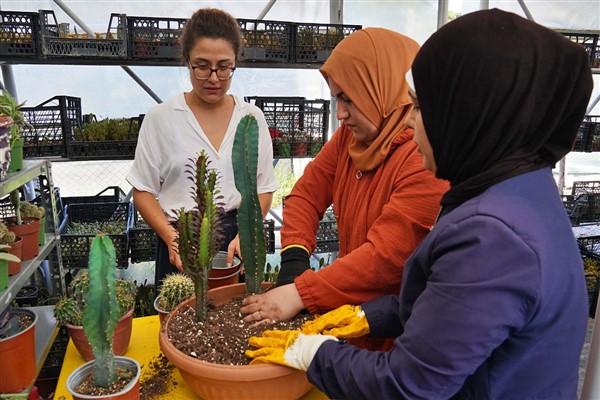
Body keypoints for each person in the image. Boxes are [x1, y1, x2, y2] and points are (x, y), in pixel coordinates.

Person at [245, 9, 593, 399]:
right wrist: (367, 316)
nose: (409, 122)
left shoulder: (493, 237)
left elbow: (409, 384)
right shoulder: (518, 186)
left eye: (422, 107)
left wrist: (313, 354)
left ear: (467, 115)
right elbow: (446, 303)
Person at [241, 27, 449, 351]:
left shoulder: (424, 158)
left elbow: (384, 260)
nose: (339, 113)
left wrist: (301, 293)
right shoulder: (351, 139)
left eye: (348, 98)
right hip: (351, 321)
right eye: (336, 97)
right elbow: (306, 195)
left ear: (382, 89)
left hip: (398, 340)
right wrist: (295, 257)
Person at [126, 8, 279, 290]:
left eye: (224, 66)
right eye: (202, 65)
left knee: (236, 324)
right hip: (180, 238)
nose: (213, 77)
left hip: (236, 237)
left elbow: (264, 187)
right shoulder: (161, 117)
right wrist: (173, 239)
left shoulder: (251, 118)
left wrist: (246, 235)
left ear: (236, 62)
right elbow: (143, 191)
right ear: (186, 61)